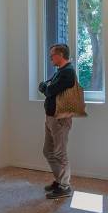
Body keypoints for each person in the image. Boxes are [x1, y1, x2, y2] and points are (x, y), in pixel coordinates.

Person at [38, 43, 76, 199]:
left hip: (60, 118)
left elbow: (48, 89)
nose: (50, 57)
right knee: (48, 151)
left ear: (60, 55)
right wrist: (46, 87)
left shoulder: (67, 73)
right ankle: (60, 180)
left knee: (60, 153)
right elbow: (45, 87)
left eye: (52, 54)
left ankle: (65, 186)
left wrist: (46, 87)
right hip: (51, 117)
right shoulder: (60, 72)